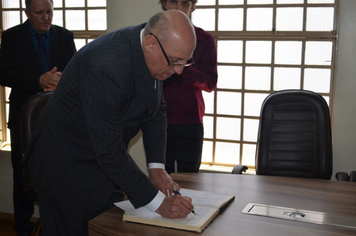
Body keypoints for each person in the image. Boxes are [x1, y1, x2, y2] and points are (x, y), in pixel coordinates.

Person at [23, 10, 196, 235]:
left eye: (185, 62)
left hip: (104, 169)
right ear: (151, 43)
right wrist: (159, 203)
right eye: (175, 62)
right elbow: (109, 151)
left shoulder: (152, 48)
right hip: (67, 169)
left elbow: (155, 111)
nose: (179, 71)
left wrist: (157, 169)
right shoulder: (107, 67)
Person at [0, 0, 76, 235]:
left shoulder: (64, 36)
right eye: (39, 12)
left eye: (49, 12)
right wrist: (38, 80)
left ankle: (51, 223)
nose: (46, 17)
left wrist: (61, 78)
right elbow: (4, 73)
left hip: (57, 116)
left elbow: (76, 70)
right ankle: (23, 226)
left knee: (56, 171)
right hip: (23, 116)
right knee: (23, 173)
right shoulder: (12, 36)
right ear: (27, 13)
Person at [158, 0, 218, 174]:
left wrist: (185, 66)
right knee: (160, 180)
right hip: (158, 122)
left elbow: (210, 84)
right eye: (173, 2)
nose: (178, 8)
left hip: (190, 122)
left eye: (184, 3)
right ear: (164, 4)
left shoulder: (204, 39)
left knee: (191, 183)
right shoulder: (152, 39)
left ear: (193, 6)